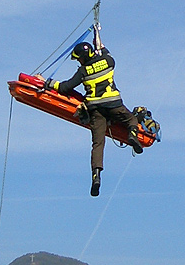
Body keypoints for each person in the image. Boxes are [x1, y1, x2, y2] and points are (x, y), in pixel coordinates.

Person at [45, 41, 142, 197]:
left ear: (83, 57)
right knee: (131, 119)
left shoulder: (83, 71)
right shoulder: (109, 62)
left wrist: (50, 83)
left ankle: (96, 176)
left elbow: (66, 87)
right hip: (114, 104)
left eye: (78, 59)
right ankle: (133, 134)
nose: (78, 61)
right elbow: (105, 52)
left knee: (98, 144)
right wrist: (101, 45)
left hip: (95, 109)